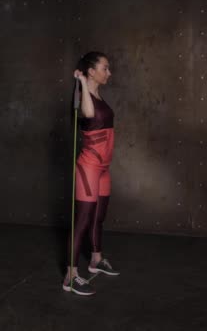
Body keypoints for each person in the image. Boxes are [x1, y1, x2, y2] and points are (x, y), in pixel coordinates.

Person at [63, 51, 120, 296]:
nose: (109, 72)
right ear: (92, 71)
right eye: (105, 68)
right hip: (88, 167)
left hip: (104, 168)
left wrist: (88, 86)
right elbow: (87, 113)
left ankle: (96, 260)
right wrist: (83, 84)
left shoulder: (98, 95)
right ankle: (71, 276)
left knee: (99, 216)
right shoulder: (83, 94)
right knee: (83, 220)